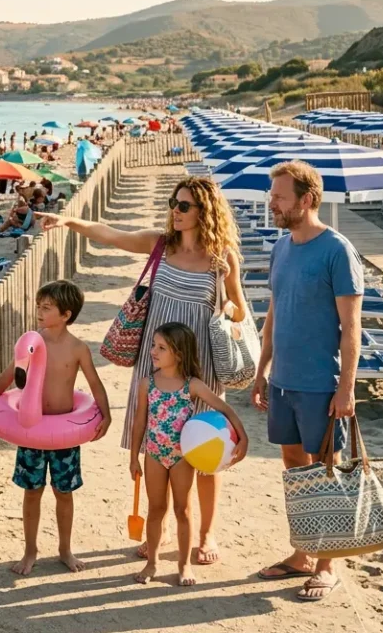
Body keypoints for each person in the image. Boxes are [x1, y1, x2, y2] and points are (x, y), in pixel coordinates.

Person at [39, 176, 247, 567]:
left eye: (184, 205)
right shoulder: (160, 244)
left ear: (206, 212)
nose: (175, 210)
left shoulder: (222, 258)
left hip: (200, 364)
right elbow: (111, 235)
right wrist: (68, 222)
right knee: (158, 443)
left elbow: (240, 307)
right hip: (156, 362)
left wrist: (227, 315)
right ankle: (161, 526)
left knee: (204, 449)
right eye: (174, 202)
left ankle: (206, 534)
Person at [250, 160, 364, 602]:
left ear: (307, 200)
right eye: (271, 195)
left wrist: (347, 387)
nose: (272, 203)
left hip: (321, 383)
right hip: (283, 381)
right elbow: (274, 316)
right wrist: (262, 371)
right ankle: (300, 553)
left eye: (279, 196)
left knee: (325, 470)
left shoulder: (337, 250)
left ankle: (327, 565)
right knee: (295, 469)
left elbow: (351, 327)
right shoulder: (282, 247)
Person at [0, 280, 110, 575]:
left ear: (66, 314)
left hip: (65, 434)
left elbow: (94, 384)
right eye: (39, 305)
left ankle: (65, 549)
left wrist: (105, 414)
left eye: (47, 307)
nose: (39, 311)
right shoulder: (32, 343)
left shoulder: (78, 349)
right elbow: (10, 375)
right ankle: (30, 550)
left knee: (64, 493)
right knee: (32, 491)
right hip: (32, 431)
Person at [131, 323, 248, 586]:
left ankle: (183, 566)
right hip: (153, 455)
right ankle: (152, 563)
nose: (153, 351)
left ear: (179, 354)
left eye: (161, 347)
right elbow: (139, 423)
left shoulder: (192, 386)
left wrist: (243, 436)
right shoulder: (146, 384)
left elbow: (225, 409)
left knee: (183, 509)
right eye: (153, 346)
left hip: (182, 457)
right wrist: (133, 458)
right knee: (155, 509)